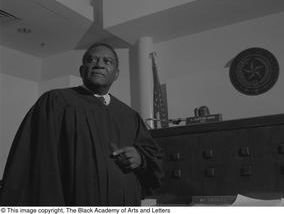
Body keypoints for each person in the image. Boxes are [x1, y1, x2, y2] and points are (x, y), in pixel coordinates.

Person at [0, 43, 164, 206]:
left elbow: (154, 161)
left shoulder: (130, 116)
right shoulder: (56, 102)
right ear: (82, 70)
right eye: (92, 60)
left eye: (108, 61)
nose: (99, 64)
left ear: (116, 74)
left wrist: (141, 159)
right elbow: (36, 164)